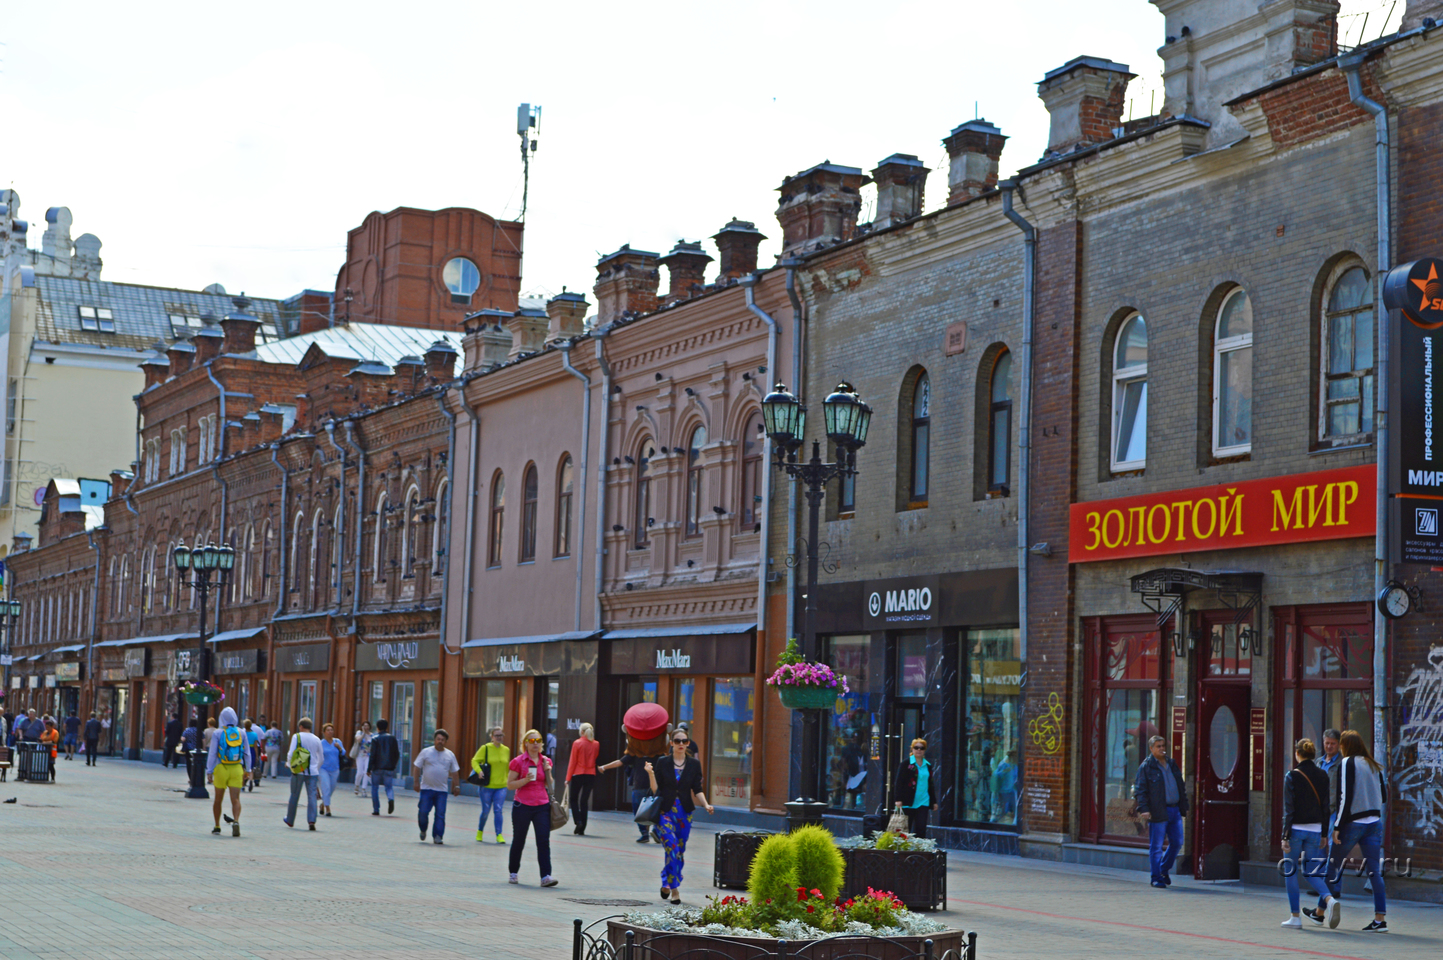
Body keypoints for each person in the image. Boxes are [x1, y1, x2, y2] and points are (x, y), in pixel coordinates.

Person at [1321, 729, 1389, 933]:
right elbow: (1384, 796)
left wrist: (1337, 827)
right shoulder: (1373, 764)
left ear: (1345, 746)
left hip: (1354, 823)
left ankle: (1319, 912)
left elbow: (1345, 797)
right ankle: (1380, 919)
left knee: (1333, 865)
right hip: (1375, 823)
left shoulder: (1347, 762)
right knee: (1374, 872)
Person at [645, 726, 712, 904]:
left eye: (684, 741)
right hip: (665, 812)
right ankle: (674, 890)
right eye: (677, 741)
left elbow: (697, 788)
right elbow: (655, 789)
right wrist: (651, 774)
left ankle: (666, 880)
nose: (681, 744)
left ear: (688, 743)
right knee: (672, 848)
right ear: (672, 743)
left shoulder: (694, 764)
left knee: (679, 852)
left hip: (685, 813)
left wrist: (706, 804)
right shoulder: (662, 762)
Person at [1281, 738, 1331, 929]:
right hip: (1315, 830)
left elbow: (1289, 809)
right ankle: (1329, 899)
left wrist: (1285, 836)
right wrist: (1324, 833)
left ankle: (1295, 917)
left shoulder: (1291, 776)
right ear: (1313, 754)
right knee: (1311, 871)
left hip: (1296, 829)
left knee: (1290, 872)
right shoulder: (1323, 775)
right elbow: (1326, 807)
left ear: (1297, 754)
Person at [1134, 734, 1188, 889]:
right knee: (1156, 847)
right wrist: (1144, 809)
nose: (1162, 749)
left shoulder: (1172, 764)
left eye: (1163, 746)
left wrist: (1184, 806)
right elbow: (1140, 790)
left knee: (1177, 842)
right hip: (1158, 811)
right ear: (1151, 749)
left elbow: (1180, 786)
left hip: (1174, 810)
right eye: (1158, 746)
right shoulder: (1146, 767)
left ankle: (1163, 870)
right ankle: (1156, 877)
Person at [506, 728, 558, 887]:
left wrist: (548, 773)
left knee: (543, 840)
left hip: (542, 805)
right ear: (526, 744)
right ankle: (513, 872)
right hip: (522, 805)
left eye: (538, 741)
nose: (535, 744)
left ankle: (546, 876)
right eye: (532, 741)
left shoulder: (546, 761)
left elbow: (550, 785)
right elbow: (510, 785)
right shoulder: (518, 761)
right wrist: (525, 780)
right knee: (519, 840)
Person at [206, 707, 252, 836]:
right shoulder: (241, 732)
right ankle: (236, 821)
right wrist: (248, 770)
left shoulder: (218, 733)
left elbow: (213, 753)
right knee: (236, 799)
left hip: (221, 768)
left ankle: (217, 826)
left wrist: (209, 771)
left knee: (218, 799)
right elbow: (247, 753)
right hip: (237, 768)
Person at [599, 744, 656, 843]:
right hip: (648, 785)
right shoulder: (650, 752)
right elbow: (620, 762)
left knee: (642, 810)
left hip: (645, 785)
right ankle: (651, 832)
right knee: (649, 810)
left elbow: (619, 762)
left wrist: (604, 767)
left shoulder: (642, 752)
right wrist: (604, 767)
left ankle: (648, 833)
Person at [414, 729, 461, 845]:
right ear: (434, 740)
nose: (440, 742)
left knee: (440, 814)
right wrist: (416, 782)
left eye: (443, 740)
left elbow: (455, 772)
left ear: (445, 741)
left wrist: (457, 786)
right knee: (423, 812)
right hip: (426, 789)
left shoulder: (450, 755)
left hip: (441, 791)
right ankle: (423, 829)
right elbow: (417, 767)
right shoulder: (426, 752)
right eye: (438, 739)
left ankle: (438, 836)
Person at [283, 717, 324, 830]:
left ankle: (290, 820)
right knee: (312, 796)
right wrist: (316, 767)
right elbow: (321, 758)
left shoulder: (297, 736)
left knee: (294, 795)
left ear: (301, 726)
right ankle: (311, 821)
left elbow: (291, 753)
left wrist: (289, 764)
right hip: (313, 772)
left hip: (298, 771)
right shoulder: (317, 739)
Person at [895, 737, 940, 837]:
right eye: (916, 747)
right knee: (905, 829)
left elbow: (930, 784)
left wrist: (933, 801)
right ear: (912, 749)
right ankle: (903, 851)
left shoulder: (927, 765)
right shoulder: (906, 764)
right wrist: (898, 799)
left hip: (923, 800)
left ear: (924, 750)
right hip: (908, 801)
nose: (919, 750)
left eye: (922, 748)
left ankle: (919, 851)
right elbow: (899, 782)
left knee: (921, 828)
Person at [472, 726, 510, 843]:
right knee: (486, 811)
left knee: (498, 810)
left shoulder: (506, 750)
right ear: (492, 737)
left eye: (501, 735)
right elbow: (474, 760)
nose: (499, 738)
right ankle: (480, 831)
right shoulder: (486, 748)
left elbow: (507, 767)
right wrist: (479, 771)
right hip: (487, 786)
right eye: (496, 735)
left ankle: (499, 834)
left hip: (501, 786)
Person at [566, 722, 600, 836]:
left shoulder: (577, 743)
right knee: (584, 801)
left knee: (573, 799)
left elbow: (572, 761)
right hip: (591, 774)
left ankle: (578, 821)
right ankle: (582, 828)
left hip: (578, 774)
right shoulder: (596, 744)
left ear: (581, 732)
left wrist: (568, 778)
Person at [369, 718, 400, 816]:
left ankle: (376, 809)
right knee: (389, 787)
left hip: (377, 767)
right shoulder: (392, 738)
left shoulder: (375, 738)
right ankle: (390, 799)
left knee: (374, 787)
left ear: (378, 727)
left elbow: (372, 755)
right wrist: (393, 765)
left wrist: (369, 768)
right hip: (389, 767)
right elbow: (396, 753)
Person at [317, 723, 344, 817]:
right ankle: (328, 808)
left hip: (335, 769)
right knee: (326, 787)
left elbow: (343, 753)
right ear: (324, 732)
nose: (330, 732)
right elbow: (317, 756)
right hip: (323, 769)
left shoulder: (337, 741)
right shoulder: (321, 743)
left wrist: (339, 748)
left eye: (331, 730)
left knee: (331, 788)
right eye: (328, 730)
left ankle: (322, 804)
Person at [351, 721, 373, 796]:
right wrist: (363, 733)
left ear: (369, 727)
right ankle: (357, 786)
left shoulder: (372, 735)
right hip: (360, 755)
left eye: (367, 726)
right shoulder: (359, 733)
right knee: (360, 772)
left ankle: (364, 789)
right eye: (364, 726)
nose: (366, 727)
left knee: (366, 772)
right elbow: (358, 740)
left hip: (368, 755)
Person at [242, 719, 263, 791]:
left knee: (243, 768)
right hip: (252, 751)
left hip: (244, 750)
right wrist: (257, 756)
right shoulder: (254, 734)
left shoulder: (243, 733)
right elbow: (256, 746)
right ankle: (251, 780)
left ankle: (243, 785)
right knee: (250, 768)